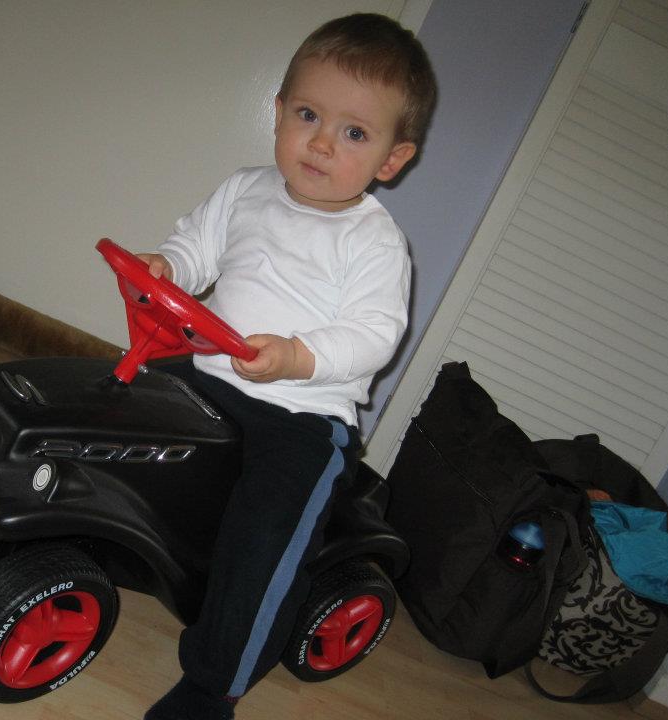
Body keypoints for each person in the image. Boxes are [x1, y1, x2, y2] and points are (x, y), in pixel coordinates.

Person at [136, 13, 436, 720]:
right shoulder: (245, 190)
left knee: (266, 533)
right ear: (277, 113)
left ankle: (213, 686)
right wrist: (167, 267)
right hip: (209, 372)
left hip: (303, 414)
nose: (322, 142)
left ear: (391, 160)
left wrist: (298, 357)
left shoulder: (375, 243)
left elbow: (374, 334)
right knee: (124, 403)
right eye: (308, 115)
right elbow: (195, 248)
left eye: (354, 133)